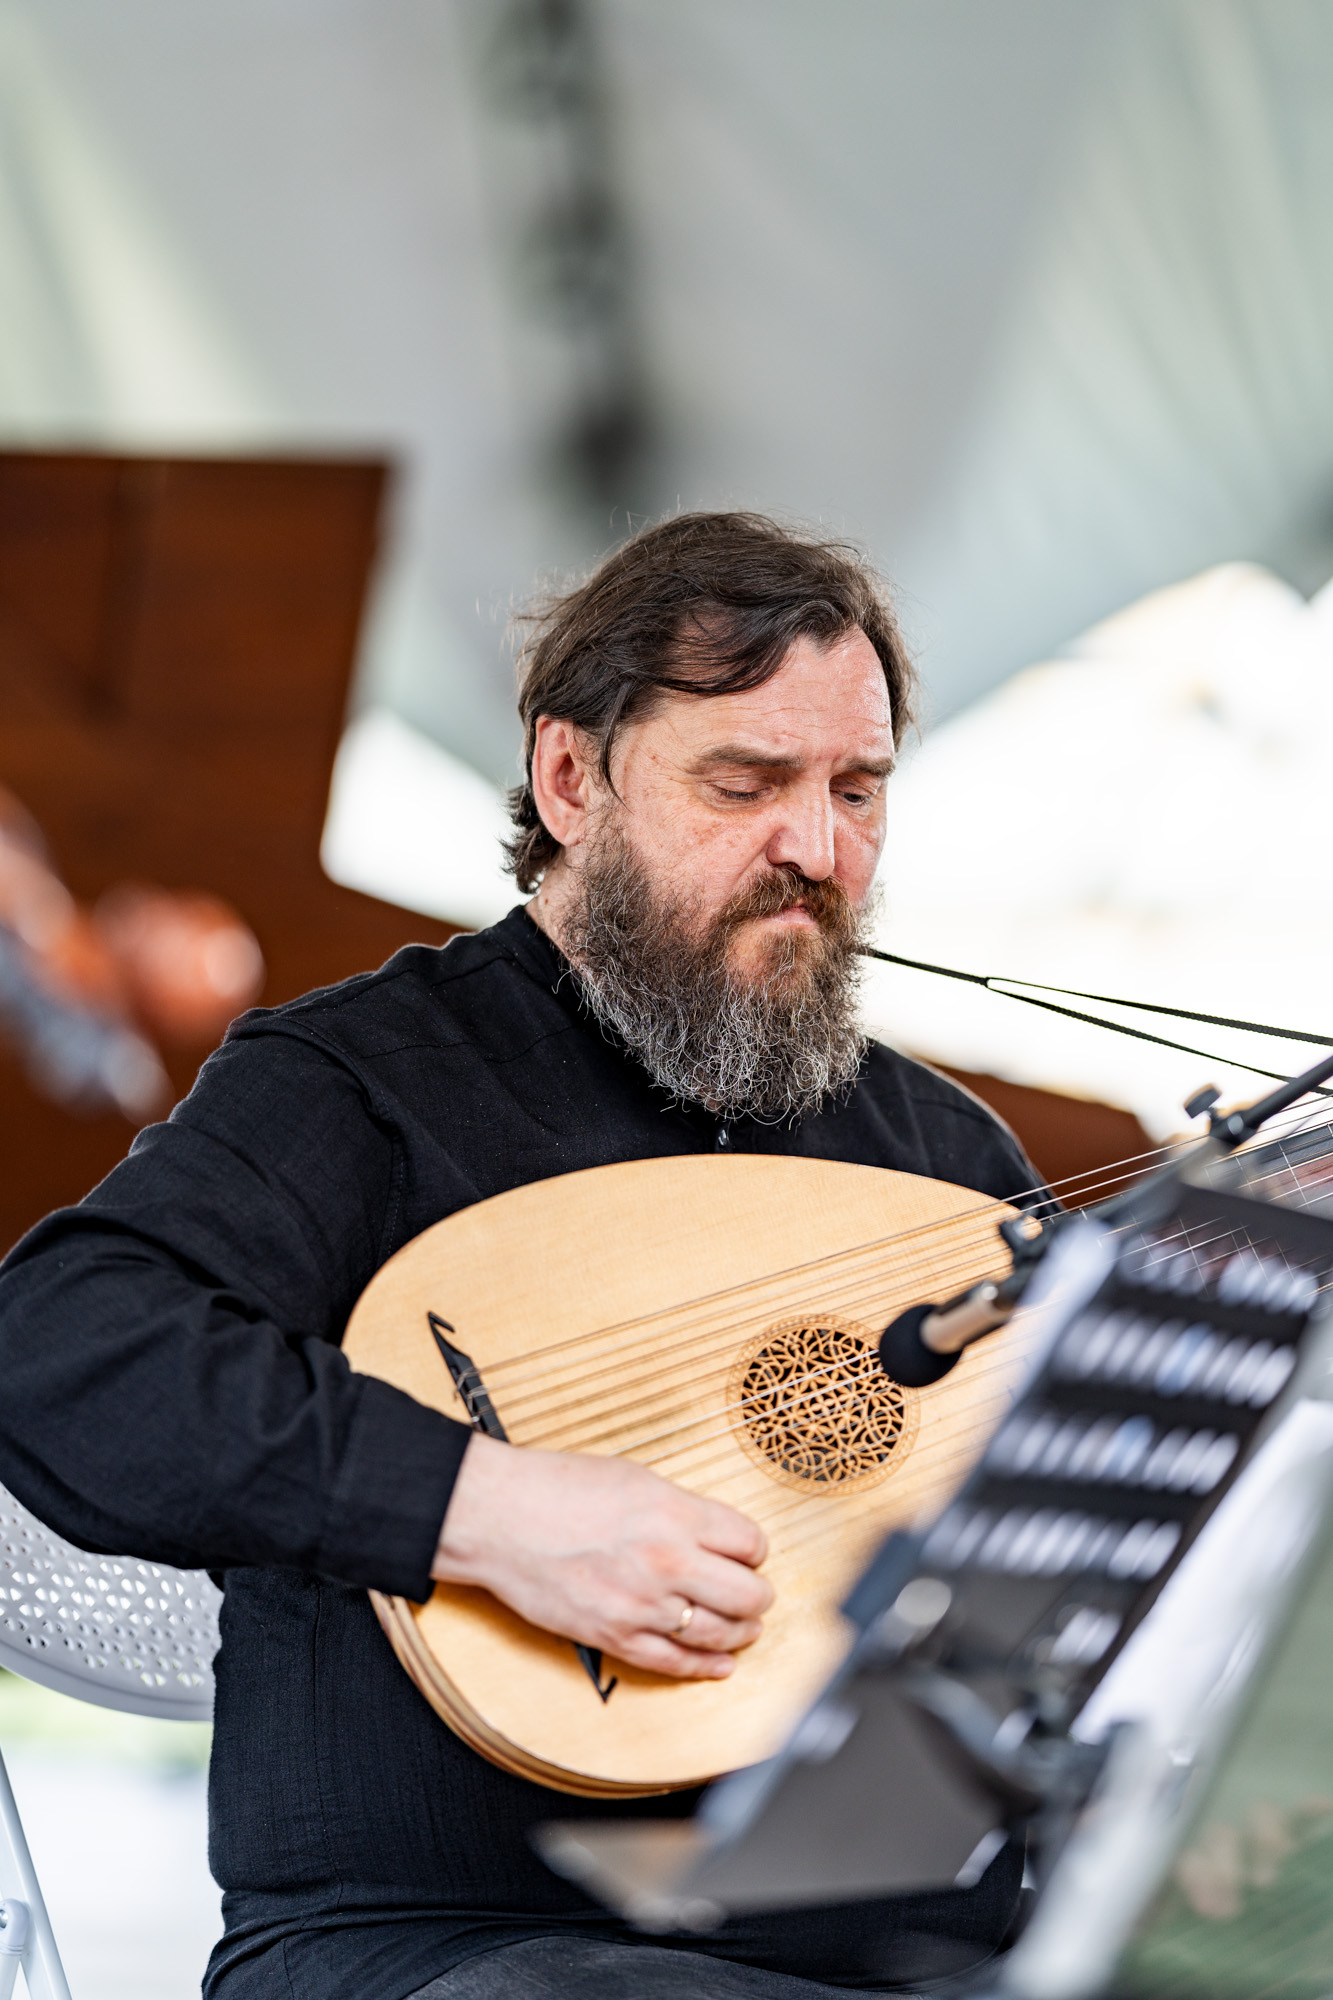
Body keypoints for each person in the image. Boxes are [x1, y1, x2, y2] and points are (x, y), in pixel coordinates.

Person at [0, 513, 1043, 2000]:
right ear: (569, 780)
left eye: (856, 790)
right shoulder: (364, 1083)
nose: (816, 851)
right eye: (744, 784)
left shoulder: (940, 1157)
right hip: (454, 1944)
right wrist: (483, 1510)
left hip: (901, 1955)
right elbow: (62, 1346)